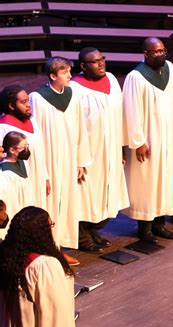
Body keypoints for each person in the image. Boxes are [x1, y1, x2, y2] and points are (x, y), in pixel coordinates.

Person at [29, 57, 92, 266]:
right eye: (65, 73)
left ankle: (59, 247)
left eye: (69, 72)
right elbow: (35, 135)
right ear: (53, 76)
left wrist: (80, 162)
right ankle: (48, 249)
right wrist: (42, 171)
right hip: (49, 158)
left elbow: (81, 128)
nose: (70, 76)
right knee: (50, 205)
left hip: (68, 158)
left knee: (66, 203)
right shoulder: (37, 98)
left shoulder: (72, 95)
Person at [123, 37, 173, 242]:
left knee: (165, 179)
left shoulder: (169, 68)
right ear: (146, 54)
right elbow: (131, 111)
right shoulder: (136, 77)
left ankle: (159, 224)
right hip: (148, 139)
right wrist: (139, 141)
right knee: (148, 182)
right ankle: (145, 228)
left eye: (162, 50)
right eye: (155, 51)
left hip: (166, 137)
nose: (160, 54)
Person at [70, 47, 130, 253]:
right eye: (95, 61)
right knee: (87, 194)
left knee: (107, 191)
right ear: (83, 66)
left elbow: (120, 114)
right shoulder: (75, 89)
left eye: (102, 59)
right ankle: (81, 235)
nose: (101, 63)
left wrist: (122, 147)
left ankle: (93, 229)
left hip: (110, 148)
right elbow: (74, 125)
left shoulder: (112, 80)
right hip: (90, 152)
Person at [0, 206, 79, 327]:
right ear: (40, 233)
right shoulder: (43, 266)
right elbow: (55, 320)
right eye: (50, 226)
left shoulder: (6, 257)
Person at [0, 85, 50, 209]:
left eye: (28, 100)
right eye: (23, 102)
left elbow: (40, 151)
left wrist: (45, 177)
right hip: (18, 181)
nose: (28, 105)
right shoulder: (3, 126)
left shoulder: (32, 121)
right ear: (11, 106)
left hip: (37, 177)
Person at [0, 131, 35, 238]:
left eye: (27, 146)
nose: (26, 150)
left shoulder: (23, 163)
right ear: (12, 150)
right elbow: (11, 203)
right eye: (23, 148)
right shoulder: (6, 173)